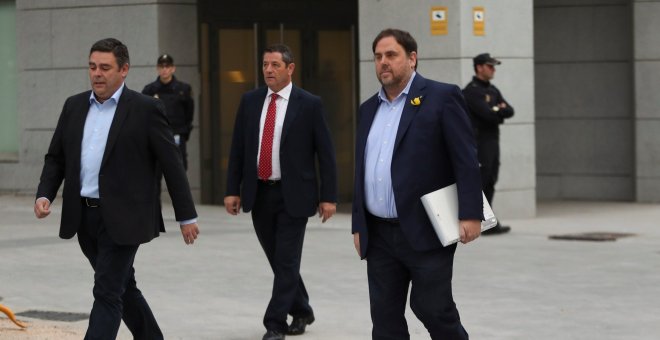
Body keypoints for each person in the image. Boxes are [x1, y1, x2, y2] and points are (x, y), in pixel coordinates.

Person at [34, 38, 200, 340]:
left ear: (124, 70)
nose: (97, 73)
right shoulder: (73, 106)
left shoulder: (147, 109)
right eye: (92, 66)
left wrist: (186, 215)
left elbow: (172, 165)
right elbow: (56, 157)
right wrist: (45, 193)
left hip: (125, 218)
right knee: (123, 285)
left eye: (105, 68)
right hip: (83, 217)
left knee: (107, 291)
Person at [352, 28, 483, 339]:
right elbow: (361, 170)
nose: (383, 62)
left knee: (433, 308)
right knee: (384, 319)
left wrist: (471, 213)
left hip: (426, 227)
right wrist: (358, 223)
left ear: (412, 58)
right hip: (379, 233)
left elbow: (465, 159)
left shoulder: (442, 97)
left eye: (391, 55)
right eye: (378, 57)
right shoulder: (368, 109)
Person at [224, 44, 337, 340]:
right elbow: (238, 149)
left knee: (286, 260)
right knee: (278, 260)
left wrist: (329, 196)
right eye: (265, 65)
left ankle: (274, 324)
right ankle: (301, 309)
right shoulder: (250, 101)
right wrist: (231, 190)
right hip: (259, 193)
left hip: (295, 195)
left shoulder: (309, 104)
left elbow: (325, 153)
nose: (269, 70)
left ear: (290, 68)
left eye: (275, 64)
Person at [462, 53, 515, 235]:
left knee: (491, 179)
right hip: (479, 142)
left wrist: (497, 111)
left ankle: (488, 220)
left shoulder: (492, 90)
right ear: (479, 67)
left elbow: (510, 110)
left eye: (494, 67)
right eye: (490, 66)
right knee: (481, 181)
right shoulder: (471, 91)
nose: (493, 70)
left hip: (493, 141)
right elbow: (488, 114)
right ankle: (480, 220)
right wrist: (497, 110)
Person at [142, 54, 194, 202]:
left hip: (176, 138)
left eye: (167, 67)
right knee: (154, 177)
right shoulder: (150, 90)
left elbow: (189, 114)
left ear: (173, 68)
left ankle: (184, 210)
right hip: (156, 140)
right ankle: (154, 208)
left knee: (179, 177)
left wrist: (184, 134)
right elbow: (144, 115)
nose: (164, 70)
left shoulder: (183, 89)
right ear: (158, 69)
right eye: (161, 67)